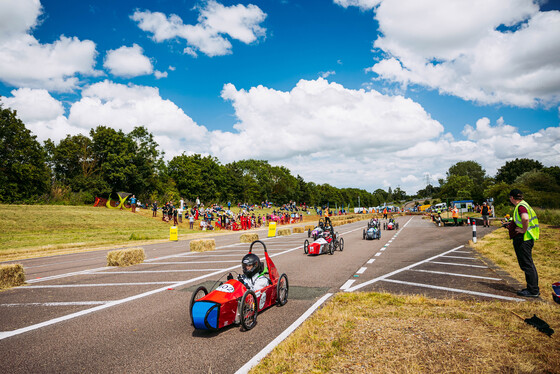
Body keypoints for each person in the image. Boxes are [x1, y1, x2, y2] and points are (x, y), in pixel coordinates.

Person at [507, 189, 540, 297]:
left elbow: (525, 219)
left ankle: (533, 290)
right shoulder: (525, 204)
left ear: (512, 198)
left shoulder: (520, 207)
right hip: (527, 238)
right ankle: (532, 288)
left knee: (527, 264)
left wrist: (523, 230)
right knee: (528, 264)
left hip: (524, 238)